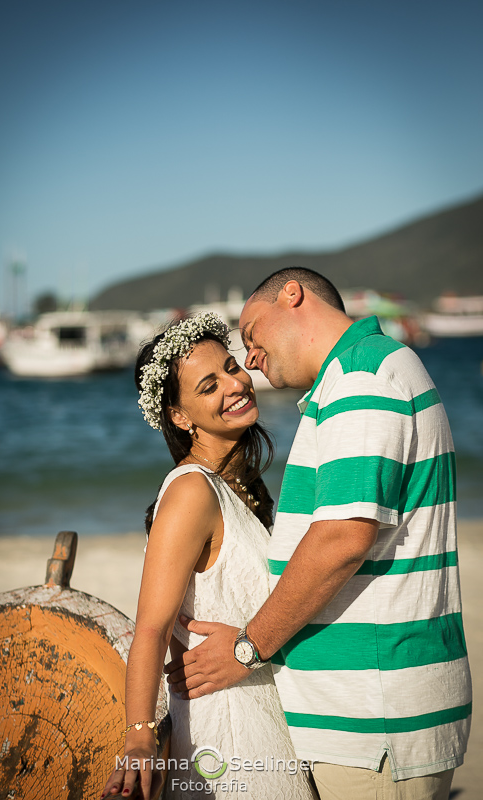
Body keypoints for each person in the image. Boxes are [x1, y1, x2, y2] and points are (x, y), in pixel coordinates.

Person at [165, 269, 472, 800]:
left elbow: (342, 538)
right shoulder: (360, 376)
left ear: (293, 296)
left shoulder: (361, 379)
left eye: (252, 337)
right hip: (373, 718)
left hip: (375, 723)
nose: (252, 360)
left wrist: (245, 649)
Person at [101, 312, 314, 800]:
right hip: (229, 735)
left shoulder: (239, 488)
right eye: (208, 385)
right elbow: (152, 627)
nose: (235, 386)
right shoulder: (191, 492)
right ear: (179, 416)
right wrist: (138, 736)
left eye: (233, 368)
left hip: (267, 718)